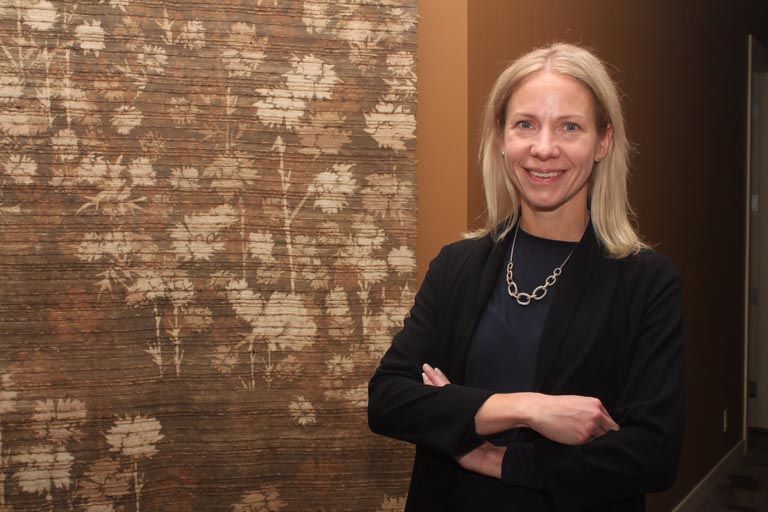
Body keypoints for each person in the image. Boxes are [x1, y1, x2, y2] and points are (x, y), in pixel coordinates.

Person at [368, 43, 684, 511]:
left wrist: (492, 454)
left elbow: (651, 455)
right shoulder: (457, 266)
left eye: (570, 126)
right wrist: (529, 408)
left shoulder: (645, 281)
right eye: (525, 125)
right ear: (501, 137)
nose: (543, 148)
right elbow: (389, 400)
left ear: (603, 142)